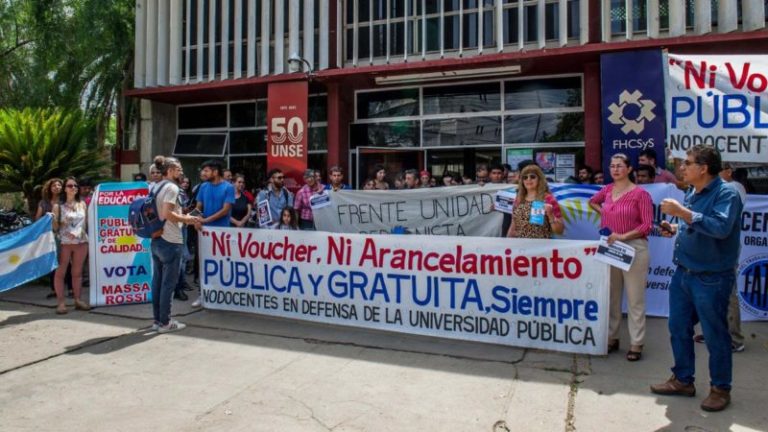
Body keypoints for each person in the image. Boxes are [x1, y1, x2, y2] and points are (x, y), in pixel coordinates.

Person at [651, 145, 743, 412]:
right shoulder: (693, 191)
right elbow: (696, 225)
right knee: (678, 328)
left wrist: (683, 213)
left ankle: (720, 389)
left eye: (688, 163)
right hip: (684, 273)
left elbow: (721, 228)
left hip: (711, 277)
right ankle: (682, 380)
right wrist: (676, 227)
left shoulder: (727, 193)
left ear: (703, 168)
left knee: (715, 336)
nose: (682, 167)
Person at [589, 153, 653, 362]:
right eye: (612, 165)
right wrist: (606, 216)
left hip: (633, 247)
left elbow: (646, 225)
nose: (615, 169)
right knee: (612, 296)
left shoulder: (640, 194)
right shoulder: (607, 190)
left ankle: (637, 342)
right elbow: (592, 202)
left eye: (619, 166)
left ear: (629, 169)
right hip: (611, 246)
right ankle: (612, 337)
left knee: (635, 299)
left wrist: (623, 235)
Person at [689, 162, 746, 352]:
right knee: (709, 293)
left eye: (718, 170)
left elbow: (720, 223)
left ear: (728, 172)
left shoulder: (733, 189)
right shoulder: (705, 190)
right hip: (708, 246)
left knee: (728, 292)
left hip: (725, 248)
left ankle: (734, 338)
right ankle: (714, 331)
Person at [149, 156, 200, 333]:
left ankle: (157, 320)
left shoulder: (156, 186)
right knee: (167, 284)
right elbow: (167, 214)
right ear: (170, 170)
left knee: (157, 282)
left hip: (156, 239)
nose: (181, 172)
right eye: (178, 169)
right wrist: (187, 218)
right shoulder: (171, 187)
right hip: (170, 240)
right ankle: (165, 323)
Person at [192, 159, 235, 307]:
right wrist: (196, 219)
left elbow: (225, 210)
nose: (203, 173)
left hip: (222, 233)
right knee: (204, 263)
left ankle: (223, 294)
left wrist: (205, 220)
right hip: (204, 232)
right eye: (203, 170)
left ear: (215, 172)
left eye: (206, 170)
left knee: (222, 263)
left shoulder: (229, 187)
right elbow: (198, 207)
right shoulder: (203, 187)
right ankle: (202, 294)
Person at [52, 177, 90, 314]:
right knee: (60, 273)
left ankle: (78, 300)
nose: (73, 188)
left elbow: (85, 224)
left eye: (75, 185)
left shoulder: (83, 204)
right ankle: (61, 303)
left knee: (77, 273)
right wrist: (56, 220)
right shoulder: (58, 206)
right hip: (64, 242)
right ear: (64, 188)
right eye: (69, 185)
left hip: (81, 241)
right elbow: (55, 227)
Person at [506, 164, 564, 239]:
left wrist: (550, 215)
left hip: (541, 247)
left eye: (532, 177)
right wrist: (507, 242)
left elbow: (560, 231)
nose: (528, 179)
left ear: (539, 179)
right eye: (525, 177)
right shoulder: (518, 199)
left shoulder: (548, 199)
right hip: (521, 246)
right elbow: (513, 226)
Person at [37, 178, 66, 299]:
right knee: (54, 262)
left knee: (67, 262)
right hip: (51, 236)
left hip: (66, 234)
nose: (57, 187)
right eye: (54, 185)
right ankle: (54, 289)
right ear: (49, 188)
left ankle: (70, 288)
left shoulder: (66, 201)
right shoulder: (44, 203)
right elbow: (38, 218)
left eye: (59, 185)